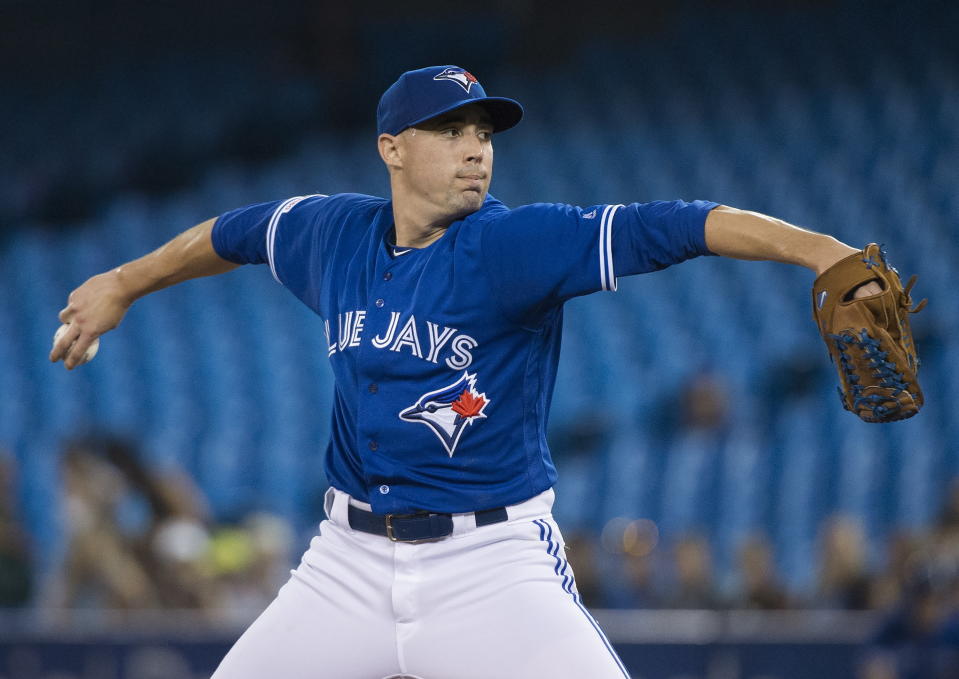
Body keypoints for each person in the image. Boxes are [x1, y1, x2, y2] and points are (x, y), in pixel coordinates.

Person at [51, 65, 880, 678]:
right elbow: (230, 234)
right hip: (345, 561)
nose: (475, 151)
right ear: (392, 148)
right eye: (449, 131)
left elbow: (680, 225)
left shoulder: (513, 246)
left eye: (483, 133)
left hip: (489, 564)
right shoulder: (328, 234)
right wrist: (124, 282)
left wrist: (822, 252)